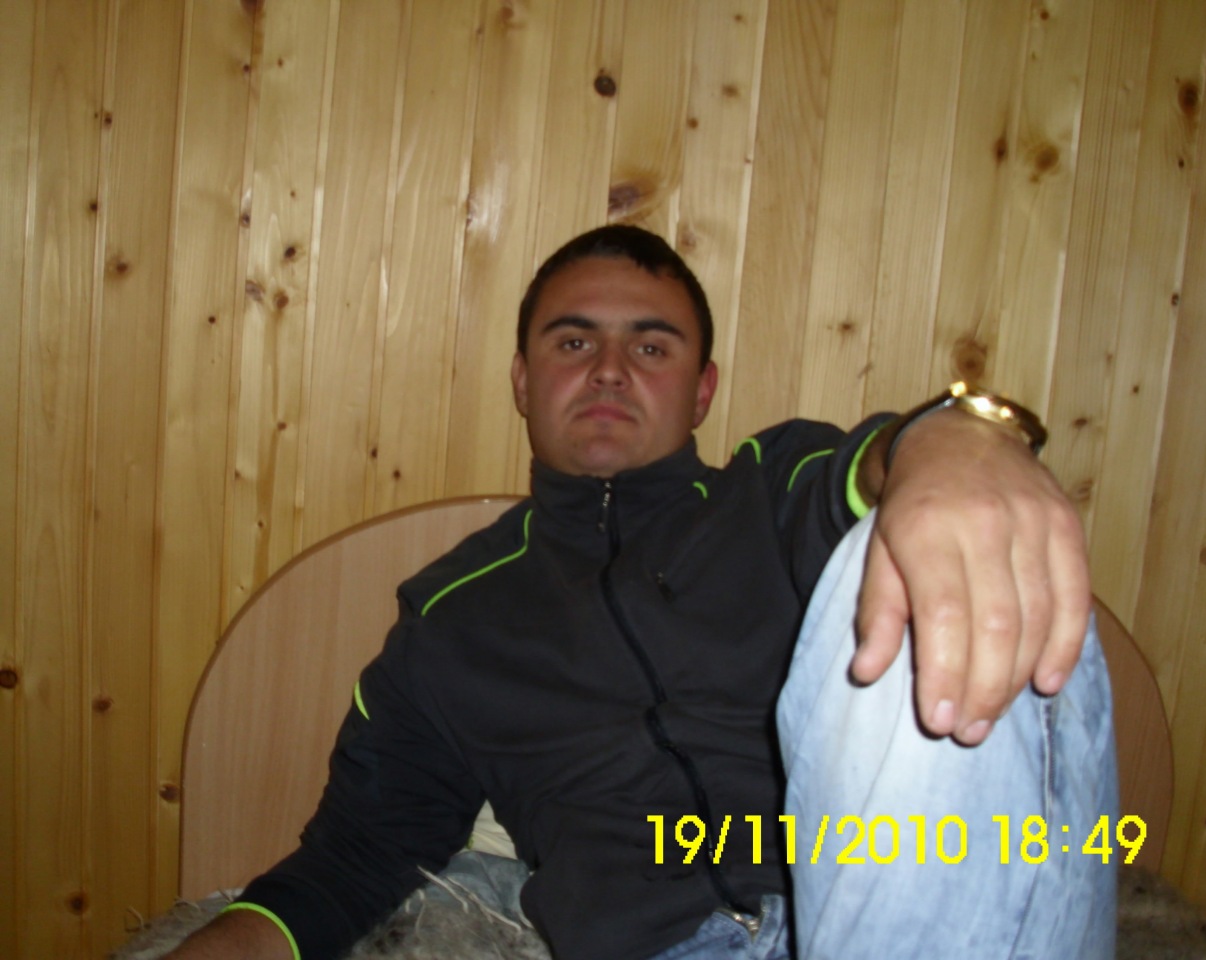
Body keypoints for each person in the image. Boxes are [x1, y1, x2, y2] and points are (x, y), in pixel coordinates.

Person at [165, 225, 1114, 960]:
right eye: (574, 341)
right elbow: (353, 859)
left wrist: (953, 439)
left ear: (702, 392)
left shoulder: (773, 494)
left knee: (917, 554)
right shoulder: (450, 620)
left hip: (882, 910)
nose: (610, 371)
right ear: (523, 380)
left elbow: (856, 475)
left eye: (652, 349)